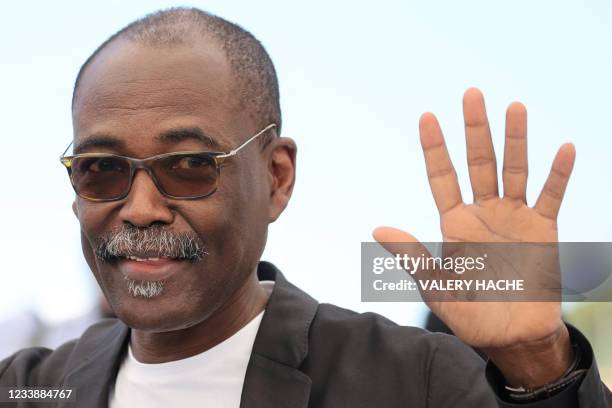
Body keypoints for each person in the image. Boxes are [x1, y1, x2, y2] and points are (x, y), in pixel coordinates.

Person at [0, 7, 610, 408]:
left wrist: (537, 363)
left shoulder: (415, 382)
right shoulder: (29, 388)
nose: (139, 209)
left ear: (276, 177)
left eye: (188, 166)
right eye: (102, 169)